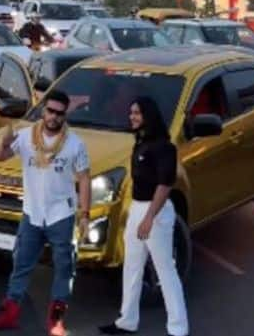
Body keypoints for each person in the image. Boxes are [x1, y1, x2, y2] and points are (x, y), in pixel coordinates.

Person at [0, 90, 91, 336]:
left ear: (64, 116)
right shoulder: (26, 136)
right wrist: (5, 143)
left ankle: (56, 319)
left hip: (60, 215)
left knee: (64, 268)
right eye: (50, 111)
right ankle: (9, 313)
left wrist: (85, 215)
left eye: (59, 113)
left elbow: (84, 178)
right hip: (32, 214)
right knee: (21, 263)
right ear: (43, 110)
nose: (53, 117)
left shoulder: (74, 144)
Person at [99, 97, 189, 336]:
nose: (132, 117)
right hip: (138, 208)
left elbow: (165, 183)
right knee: (132, 267)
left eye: (137, 113)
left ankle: (178, 328)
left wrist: (149, 217)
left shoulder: (163, 147)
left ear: (148, 115)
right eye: (131, 113)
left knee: (165, 269)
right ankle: (127, 321)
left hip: (156, 212)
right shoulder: (140, 143)